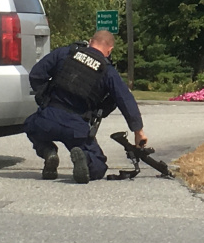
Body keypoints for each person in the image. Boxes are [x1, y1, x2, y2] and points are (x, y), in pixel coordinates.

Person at [22, 30, 147, 183]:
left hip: (48, 119)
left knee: (30, 124)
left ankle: (48, 152)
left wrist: (44, 97)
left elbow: (36, 74)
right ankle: (86, 160)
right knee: (99, 166)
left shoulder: (65, 53)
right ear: (110, 50)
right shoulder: (107, 71)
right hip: (76, 128)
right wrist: (138, 131)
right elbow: (125, 99)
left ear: (90, 41)